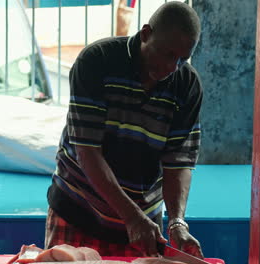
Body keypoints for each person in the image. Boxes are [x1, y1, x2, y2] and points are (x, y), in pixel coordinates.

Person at [45, 1, 204, 258]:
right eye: (166, 54)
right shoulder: (97, 62)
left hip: (144, 222)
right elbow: (87, 152)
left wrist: (176, 221)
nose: (172, 67)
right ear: (145, 34)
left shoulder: (187, 85)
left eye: (182, 59)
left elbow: (178, 163)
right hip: (79, 209)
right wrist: (132, 217)